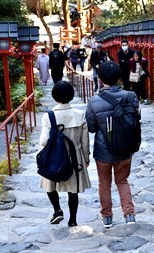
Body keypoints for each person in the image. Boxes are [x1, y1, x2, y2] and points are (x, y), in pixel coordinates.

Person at [85, 61, 139, 228]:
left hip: (104, 150)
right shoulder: (131, 96)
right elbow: (136, 119)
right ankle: (129, 214)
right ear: (118, 77)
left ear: (100, 78)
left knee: (104, 183)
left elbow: (92, 128)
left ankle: (107, 216)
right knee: (122, 181)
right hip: (125, 147)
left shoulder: (94, 102)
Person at [39, 81, 91, 227]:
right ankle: (73, 220)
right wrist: (86, 158)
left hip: (54, 157)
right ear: (71, 96)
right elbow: (85, 141)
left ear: (55, 97)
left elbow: (44, 141)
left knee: (49, 185)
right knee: (73, 191)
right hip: (75, 158)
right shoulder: (80, 115)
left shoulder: (48, 116)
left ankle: (57, 210)